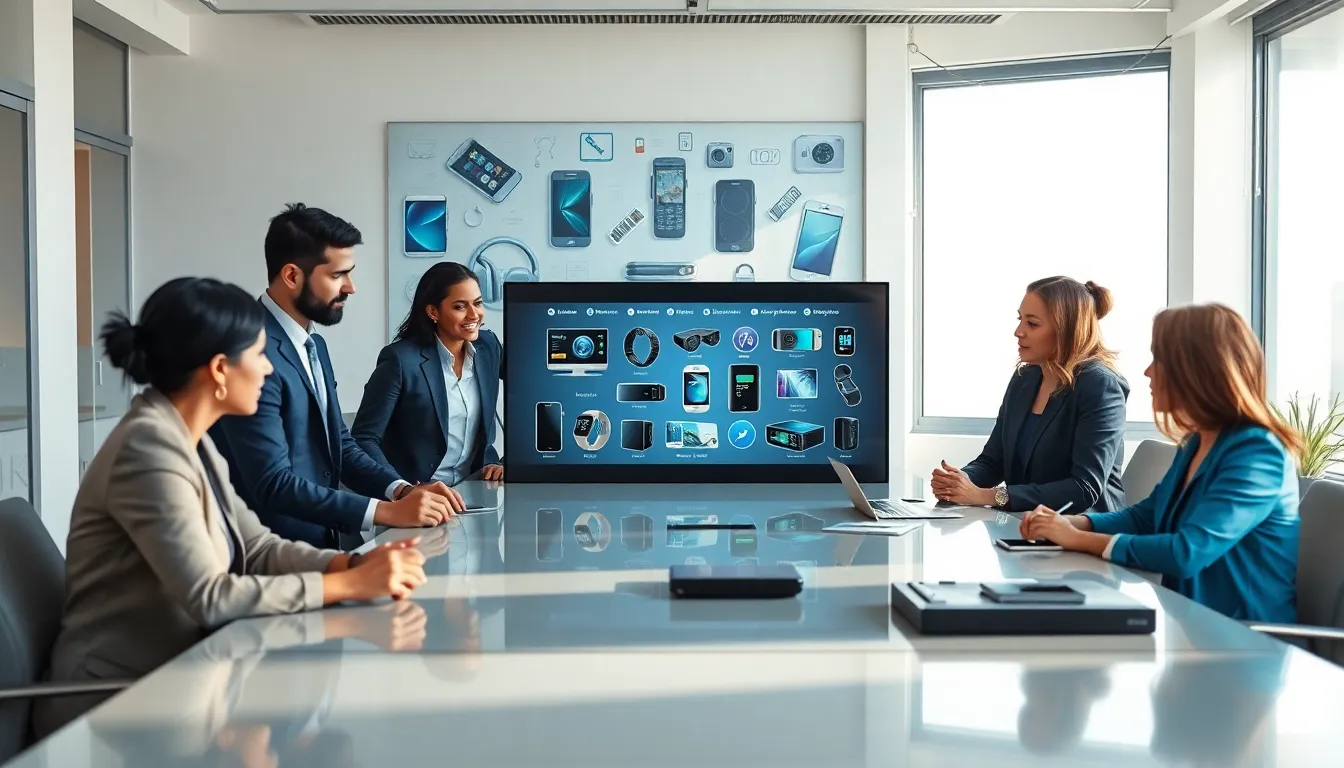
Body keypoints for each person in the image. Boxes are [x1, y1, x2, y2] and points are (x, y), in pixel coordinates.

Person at [33, 277, 428, 737]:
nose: (267, 370)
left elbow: (257, 546)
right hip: (120, 705)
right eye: (259, 355)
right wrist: (347, 584)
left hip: (185, 683)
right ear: (220, 369)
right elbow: (211, 598)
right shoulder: (148, 450)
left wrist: (349, 562)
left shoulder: (190, 437)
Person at [1021, 303, 1301, 624]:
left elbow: (1187, 553)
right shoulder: (1197, 442)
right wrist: (1072, 524)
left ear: (1196, 370)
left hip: (1246, 644)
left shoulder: (1257, 454)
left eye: (1159, 359)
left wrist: (1081, 540)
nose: (1148, 372)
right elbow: (1146, 517)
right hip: (1190, 627)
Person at [210, 203, 464, 550]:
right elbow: (272, 482)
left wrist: (402, 490)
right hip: (268, 556)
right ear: (292, 276)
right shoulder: (249, 350)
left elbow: (339, 445)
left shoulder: (314, 345)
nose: (351, 287)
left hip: (322, 546)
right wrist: (386, 512)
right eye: (337, 275)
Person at [932, 276, 1129, 513]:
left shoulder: (1100, 385)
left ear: (1066, 330)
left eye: (1032, 324)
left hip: (1081, 532)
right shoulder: (1024, 379)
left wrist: (990, 495)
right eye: (1020, 320)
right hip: (1026, 526)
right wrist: (958, 481)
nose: (1018, 331)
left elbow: (1084, 488)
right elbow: (994, 462)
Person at [352, 262, 504, 486]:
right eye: (460, 307)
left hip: (477, 486)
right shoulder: (400, 360)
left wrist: (510, 462)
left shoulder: (488, 346)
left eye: (478, 303)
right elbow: (364, 439)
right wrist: (402, 489)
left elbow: (530, 389)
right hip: (418, 493)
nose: (474, 315)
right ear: (433, 312)